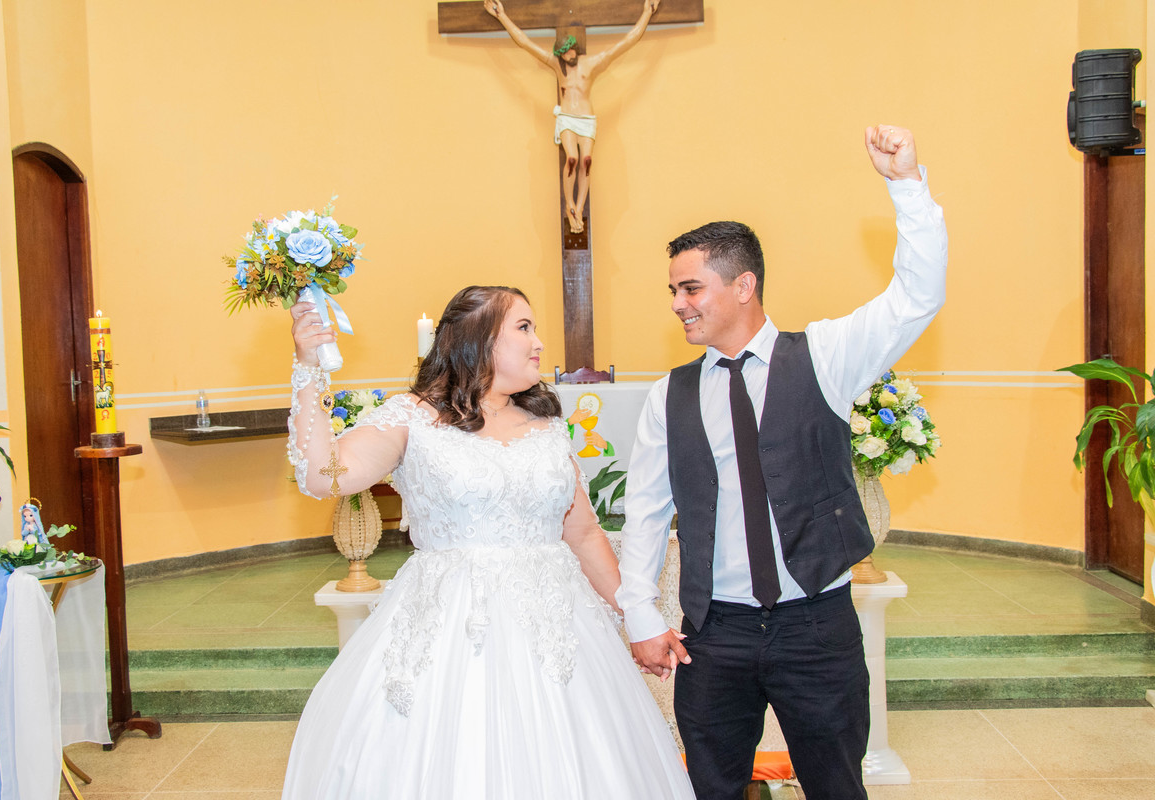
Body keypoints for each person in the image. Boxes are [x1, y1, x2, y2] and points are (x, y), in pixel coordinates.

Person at [618, 125, 948, 799]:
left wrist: (906, 187)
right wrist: (641, 614)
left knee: (835, 787)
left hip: (816, 625)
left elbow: (915, 298)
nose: (678, 304)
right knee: (712, 788)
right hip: (716, 634)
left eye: (691, 288)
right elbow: (646, 511)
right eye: (673, 291)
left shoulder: (825, 356)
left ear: (743, 285)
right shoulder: (669, 396)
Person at [281, 286, 694, 798]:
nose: (538, 342)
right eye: (523, 328)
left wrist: (637, 619)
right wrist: (309, 368)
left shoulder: (545, 425)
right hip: (453, 630)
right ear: (477, 340)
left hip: (557, 629)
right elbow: (323, 477)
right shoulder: (412, 418)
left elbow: (583, 532)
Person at [484, 0, 661, 234]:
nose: (569, 55)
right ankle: (569, 204)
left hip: (586, 119)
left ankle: (579, 207)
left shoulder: (593, 63)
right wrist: (501, 16)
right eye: (564, 53)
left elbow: (627, 41)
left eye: (570, 50)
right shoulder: (557, 65)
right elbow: (525, 43)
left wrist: (647, 12)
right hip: (567, 117)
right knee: (572, 159)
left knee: (586, 160)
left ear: (575, 48)